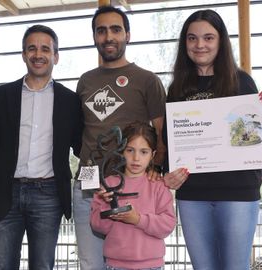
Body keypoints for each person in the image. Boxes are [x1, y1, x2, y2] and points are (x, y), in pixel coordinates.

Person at [162, 10, 262, 270]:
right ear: (184, 43)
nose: (200, 45)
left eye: (208, 37)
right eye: (192, 38)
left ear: (221, 41)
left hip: (238, 194)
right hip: (192, 195)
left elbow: (259, 139)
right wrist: (168, 172)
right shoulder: (176, 89)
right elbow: (171, 139)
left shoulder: (241, 81)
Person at [0, 24, 83, 270]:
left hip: (49, 196)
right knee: (2, 265)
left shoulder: (70, 101)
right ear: (24, 54)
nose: (38, 54)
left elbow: (82, 146)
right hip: (5, 195)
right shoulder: (0, 96)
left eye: (45, 49)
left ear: (55, 56)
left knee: (43, 266)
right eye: (32, 48)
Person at [74, 5, 167, 269]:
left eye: (116, 29)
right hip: (89, 186)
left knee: (131, 262)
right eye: (101, 31)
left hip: (133, 187)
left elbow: (160, 135)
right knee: (90, 263)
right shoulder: (85, 81)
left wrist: (156, 169)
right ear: (94, 37)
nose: (108, 37)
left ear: (128, 34)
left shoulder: (147, 80)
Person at [90, 122, 176, 270]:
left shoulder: (158, 186)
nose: (136, 158)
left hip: (152, 265)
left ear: (152, 155)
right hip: (115, 265)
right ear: (121, 151)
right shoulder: (108, 185)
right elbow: (98, 226)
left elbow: (167, 225)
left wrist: (138, 219)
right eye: (130, 150)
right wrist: (107, 205)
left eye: (144, 152)